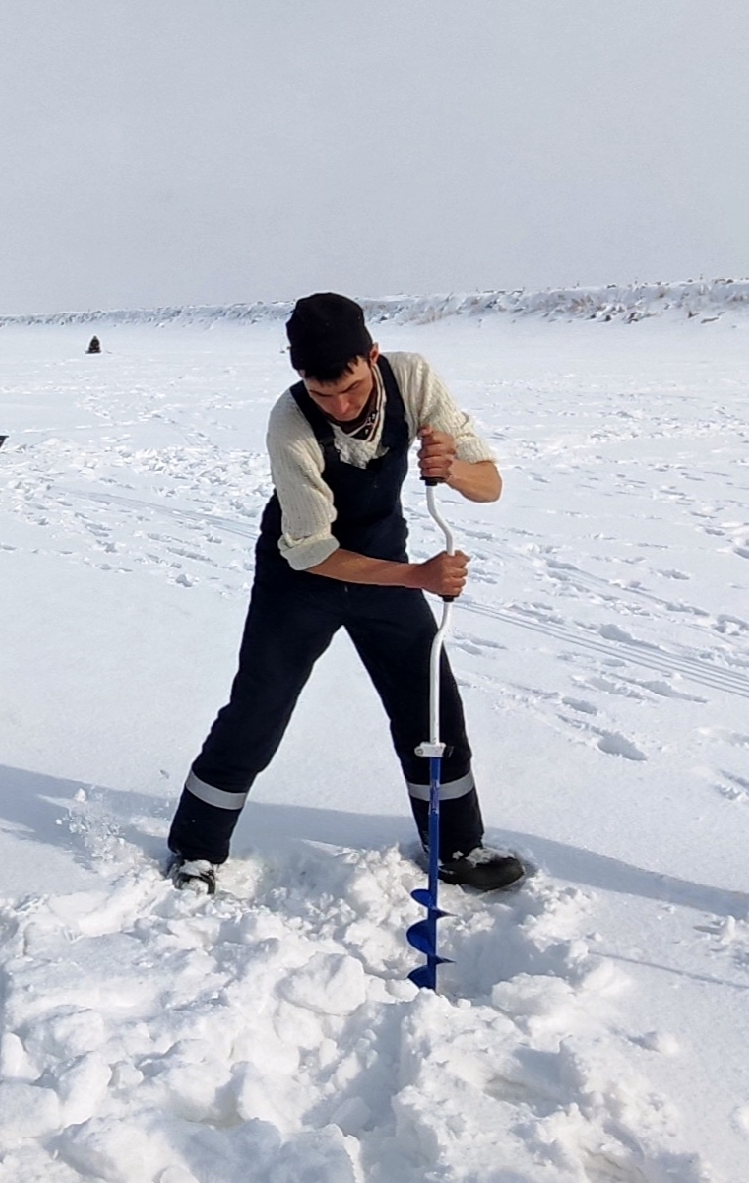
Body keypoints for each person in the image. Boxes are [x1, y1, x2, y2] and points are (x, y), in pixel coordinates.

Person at [166, 291, 533, 896]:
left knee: (430, 705)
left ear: (373, 356)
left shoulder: (412, 379)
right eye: (321, 392)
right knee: (257, 712)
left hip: (382, 563)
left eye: (352, 388)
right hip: (299, 580)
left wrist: (452, 469)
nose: (339, 405)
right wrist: (419, 577)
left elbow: (488, 485)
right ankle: (197, 850)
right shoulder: (289, 423)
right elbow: (310, 548)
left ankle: (456, 846)